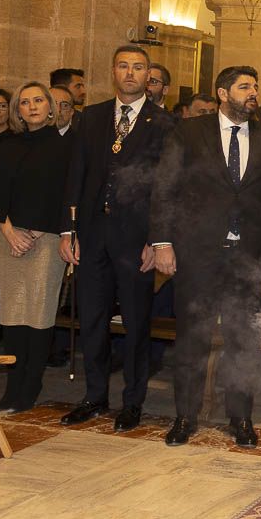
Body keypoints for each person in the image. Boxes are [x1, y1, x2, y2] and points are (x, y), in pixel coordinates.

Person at [152, 66, 261, 449]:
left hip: (249, 255)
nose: (253, 92)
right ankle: (184, 417)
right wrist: (162, 242)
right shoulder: (188, 132)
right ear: (222, 92)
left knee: (243, 341)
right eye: (244, 86)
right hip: (198, 254)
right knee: (192, 338)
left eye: (255, 86)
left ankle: (241, 418)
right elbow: (166, 189)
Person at [58, 45, 177, 432]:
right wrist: (68, 230)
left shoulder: (164, 123)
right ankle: (94, 397)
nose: (130, 73)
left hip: (136, 239)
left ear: (149, 75)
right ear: (113, 71)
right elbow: (75, 175)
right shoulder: (90, 118)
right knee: (91, 319)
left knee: (136, 322)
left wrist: (158, 240)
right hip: (92, 235)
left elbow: (168, 186)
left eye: (138, 68)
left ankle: (133, 401)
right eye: (123, 66)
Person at [0, 82, 71, 413]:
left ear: (51, 107)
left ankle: (31, 385)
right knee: (13, 311)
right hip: (7, 238)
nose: (33, 106)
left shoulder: (66, 147)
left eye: (39, 100)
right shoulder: (7, 146)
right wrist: (9, 231)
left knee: (38, 313)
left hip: (47, 239)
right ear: (18, 111)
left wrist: (36, 233)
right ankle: (13, 386)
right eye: (25, 102)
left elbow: (66, 196)